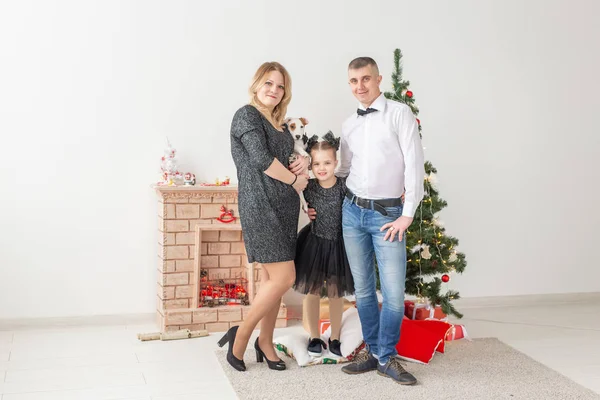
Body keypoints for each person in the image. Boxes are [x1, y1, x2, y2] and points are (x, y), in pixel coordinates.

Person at [310, 57, 425, 384]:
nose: (359, 86)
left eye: (365, 79)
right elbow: (342, 169)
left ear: (378, 79)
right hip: (353, 213)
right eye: (353, 81)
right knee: (362, 290)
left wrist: (407, 214)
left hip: (390, 215)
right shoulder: (350, 124)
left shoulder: (400, 114)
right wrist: (314, 194)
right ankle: (373, 351)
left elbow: (415, 164)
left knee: (392, 293)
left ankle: (387, 356)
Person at [219, 62, 309, 372]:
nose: (274, 90)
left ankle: (266, 342)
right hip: (260, 206)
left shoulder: (280, 124)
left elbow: (289, 159)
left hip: (285, 208)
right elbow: (261, 160)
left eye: (280, 86)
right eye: (269, 83)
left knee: (274, 280)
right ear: (257, 84)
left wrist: (301, 165)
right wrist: (295, 181)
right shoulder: (246, 115)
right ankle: (241, 336)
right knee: (286, 277)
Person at [293, 132, 355, 357]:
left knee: (336, 293)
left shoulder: (343, 186)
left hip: (339, 246)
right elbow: (297, 201)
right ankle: (314, 336)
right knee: (313, 292)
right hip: (315, 244)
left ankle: (335, 336)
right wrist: (305, 210)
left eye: (327, 163)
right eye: (317, 163)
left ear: (336, 163)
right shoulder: (308, 186)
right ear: (310, 164)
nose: (322, 168)